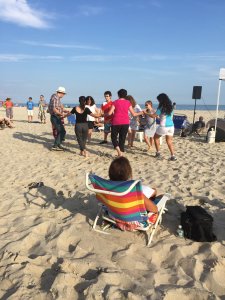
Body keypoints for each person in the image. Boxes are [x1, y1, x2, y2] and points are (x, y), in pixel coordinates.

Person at [107, 89, 143, 157]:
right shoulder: (128, 103)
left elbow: (109, 113)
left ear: (118, 95)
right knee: (122, 138)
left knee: (113, 137)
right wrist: (142, 112)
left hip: (116, 122)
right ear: (125, 95)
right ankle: (121, 153)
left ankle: (119, 151)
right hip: (125, 122)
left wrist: (104, 114)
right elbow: (134, 114)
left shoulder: (115, 102)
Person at [145, 93, 176, 161]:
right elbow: (169, 116)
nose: (158, 101)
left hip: (164, 126)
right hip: (171, 126)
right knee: (169, 141)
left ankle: (158, 153)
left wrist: (146, 113)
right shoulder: (170, 106)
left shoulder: (161, 107)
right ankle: (173, 156)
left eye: (159, 100)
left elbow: (153, 116)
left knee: (155, 138)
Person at [48, 87, 68, 151]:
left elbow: (58, 107)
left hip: (56, 117)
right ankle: (55, 145)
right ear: (61, 93)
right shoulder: (55, 98)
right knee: (60, 131)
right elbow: (54, 109)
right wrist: (61, 114)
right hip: (55, 117)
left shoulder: (56, 98)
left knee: (62, 131)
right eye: (63, 94)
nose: (64, 95)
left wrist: (65, 111)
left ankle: (58, 144)